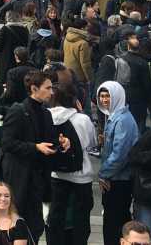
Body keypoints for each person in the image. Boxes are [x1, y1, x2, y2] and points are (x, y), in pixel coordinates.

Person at [0, 69, 64, 239]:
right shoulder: (18, 111)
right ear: (34, 88)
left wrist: (61, 143)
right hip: (19, 179)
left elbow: (48, 142)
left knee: (35, 226)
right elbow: (7, 143)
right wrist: (35, 148)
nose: (51, 92)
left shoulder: (46, 113)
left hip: (38, 179)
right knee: (17, 223)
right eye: (47, 88)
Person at [46, 82, 96, 245]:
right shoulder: (82, 119)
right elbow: (91, 143)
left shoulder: (47, 116)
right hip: (81, 175)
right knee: (80, 218)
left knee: (56, 216)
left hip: (56, 173)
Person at [99, 81, 141, 245]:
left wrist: (103, 174)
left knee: (114, 223)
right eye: (101, 96)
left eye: (107, 96)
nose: (104, 100)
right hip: (115, 178)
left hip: (119, 180)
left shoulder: (122, 120)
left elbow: (120, 155)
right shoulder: (115, 117)